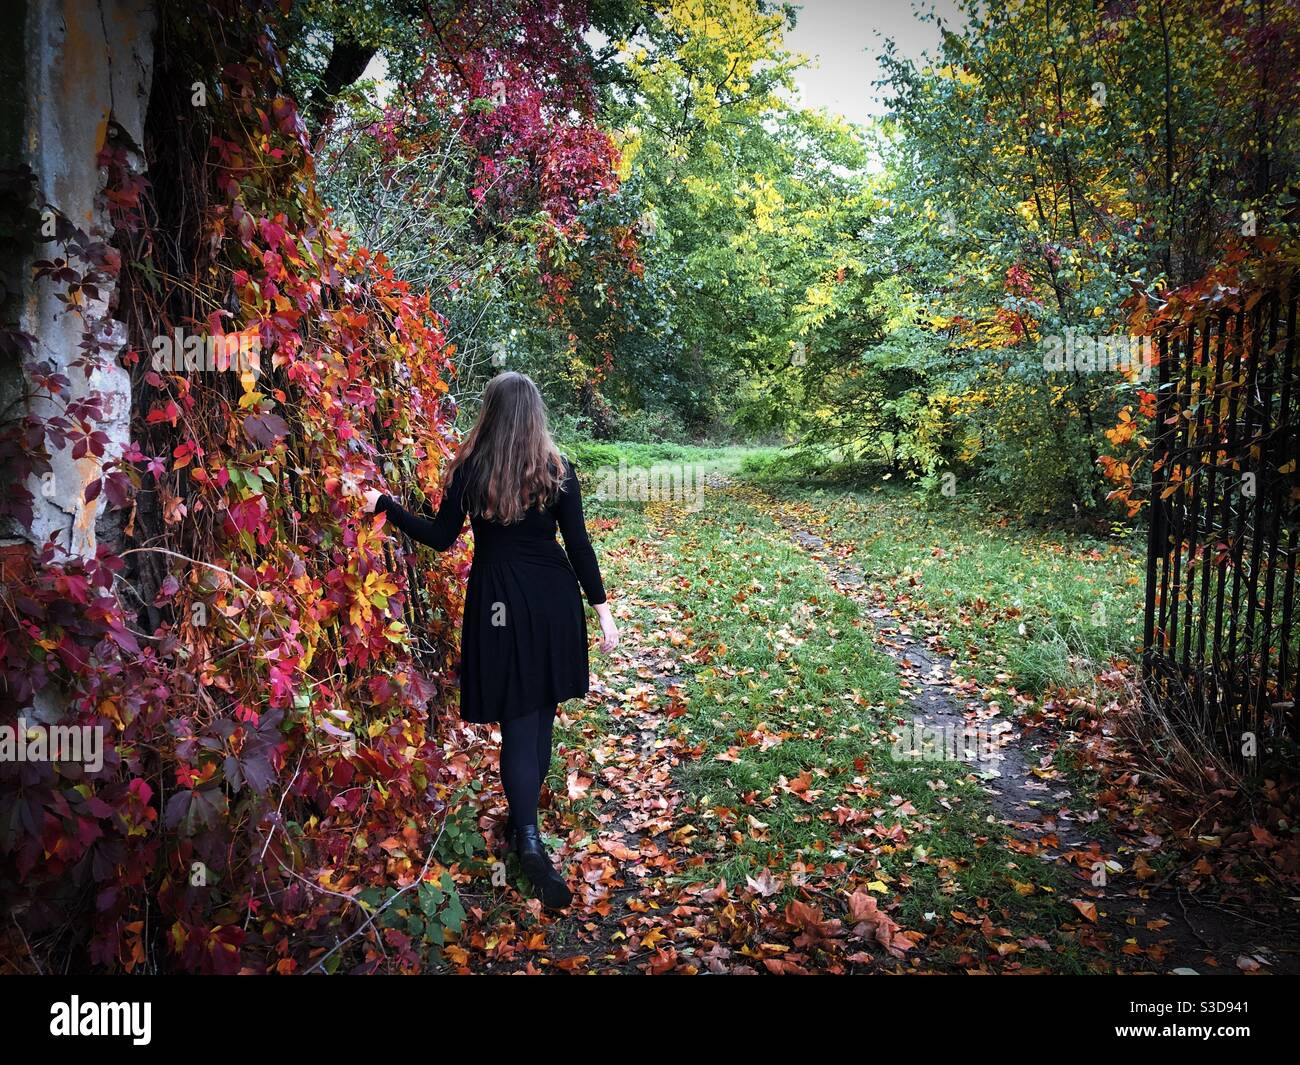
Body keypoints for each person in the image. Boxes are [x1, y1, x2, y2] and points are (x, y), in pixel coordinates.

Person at [360, 372, 618, 910]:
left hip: (498, 604)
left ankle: (524, 833)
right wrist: (603, 612)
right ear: (535, 414)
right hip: (551, 600)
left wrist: (386, 504)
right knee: (537, 713)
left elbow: (439, 537)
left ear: (492, 412)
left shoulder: (473, 470)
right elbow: (579, 547)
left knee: (523, 719)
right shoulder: (556, 469)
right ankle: (526, 837)